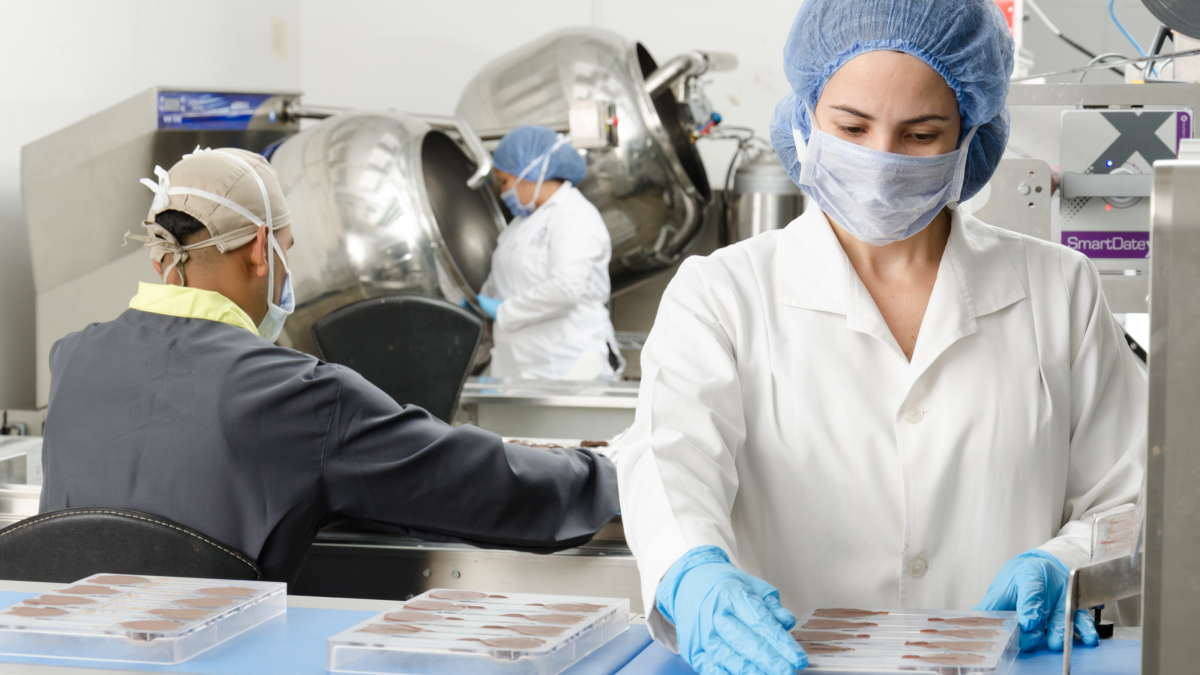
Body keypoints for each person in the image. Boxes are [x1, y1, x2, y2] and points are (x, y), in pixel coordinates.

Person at [617, 1, 1146, 674]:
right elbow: (670, 464)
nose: (881, 160)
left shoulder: (1058, 288)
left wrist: (1065, 562)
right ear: (807, 114)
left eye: (921, 134)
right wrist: (691, 572)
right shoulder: (723, 293)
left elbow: (1131, 495)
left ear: (970, 134)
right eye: (851, 126)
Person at [38, 147, 620, 583]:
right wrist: (613, 472)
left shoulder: (71, 360)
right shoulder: (295, 395)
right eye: (287, 251)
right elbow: (478, 483)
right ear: (261, 250)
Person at [477, 125, 624, 380]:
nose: (503, 193)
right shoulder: (520, 224)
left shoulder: (574, 215)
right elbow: (504, 280)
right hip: (519, 370)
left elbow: (566, 289)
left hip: (569, 366)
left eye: (505, 182)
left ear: (531, 170)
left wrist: (503, 311)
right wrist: (478, 301)